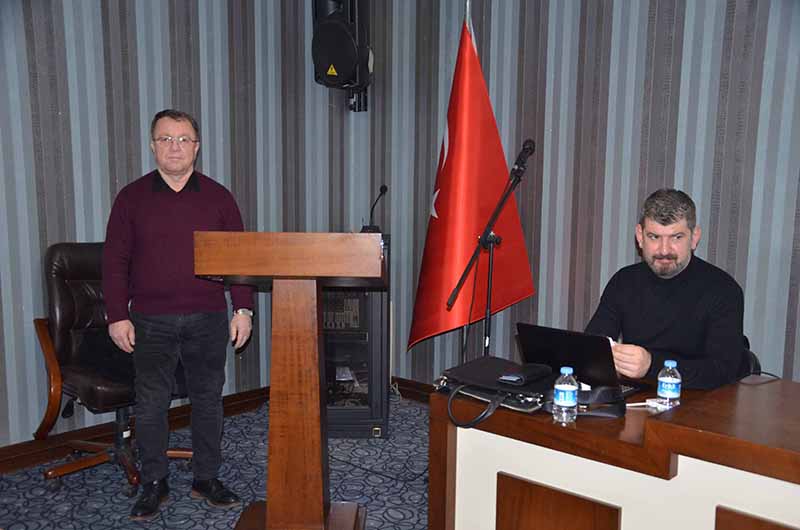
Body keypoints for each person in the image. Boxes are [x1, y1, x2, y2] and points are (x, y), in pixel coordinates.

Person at [103, 109, 255, 520]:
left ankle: (206, 477)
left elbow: (240, 259)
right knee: (151, 403)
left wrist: (243, 308)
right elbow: (114, 262)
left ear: (196, 147)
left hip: (208, 317)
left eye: (183, 139)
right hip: (150, 320)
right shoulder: (131, 198)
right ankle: (154, 482)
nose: (175, 147)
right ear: (153, 146)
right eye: (166, 139)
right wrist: (117, 315)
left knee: (208, 399)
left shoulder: (219, 198)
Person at [585, 188, 749, 389]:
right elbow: (592, 348)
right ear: (640, 236)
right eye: (654, 237)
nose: (664, 250)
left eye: (676, 237)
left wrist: (652, 365)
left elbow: (723, 371)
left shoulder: (724, 290)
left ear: (694, 237)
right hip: (637, 397)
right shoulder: (624, 281)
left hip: (700, 401)